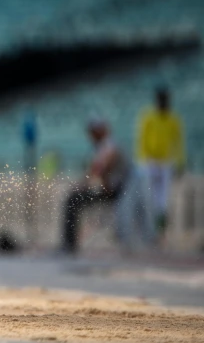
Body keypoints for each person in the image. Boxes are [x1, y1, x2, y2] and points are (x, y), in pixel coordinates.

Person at [60, 119, 128, 254]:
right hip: (110, 189)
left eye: (93, 132)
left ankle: (69, 245)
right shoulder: (102, 146)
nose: (91, 136)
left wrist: (87, 185)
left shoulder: (109, 145)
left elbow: (100, 169)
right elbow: (95, 171)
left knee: (73, 200)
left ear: (100, 131)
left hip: (116, 192)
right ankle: (68, 244)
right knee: (73, 198)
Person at [135, 87, 185, 232]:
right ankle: (146, 224)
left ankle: (159, 225)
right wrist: (143, 160)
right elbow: (142, 139)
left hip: (165, 161)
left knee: (162, 196)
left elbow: (178, 142)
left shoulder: (174, 119)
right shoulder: (148, 116)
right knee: (147, 194)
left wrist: (180, 162)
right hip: (150, 161)